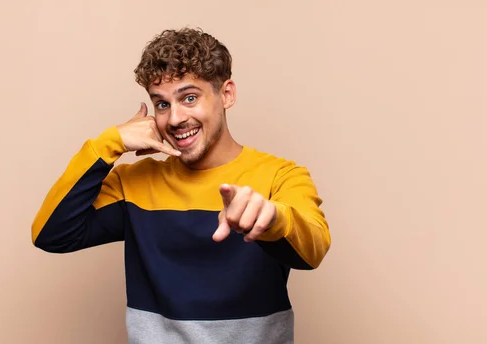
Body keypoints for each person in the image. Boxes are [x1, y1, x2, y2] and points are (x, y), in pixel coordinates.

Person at [31, 27, 331, 344]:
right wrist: (111, 142)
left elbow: (312, 252)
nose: (174, 119)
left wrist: (272, 219)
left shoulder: (279, 176)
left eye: (189, 98)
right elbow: (51, 233)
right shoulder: (133, 183)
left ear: (226, 94)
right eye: (162, 104)